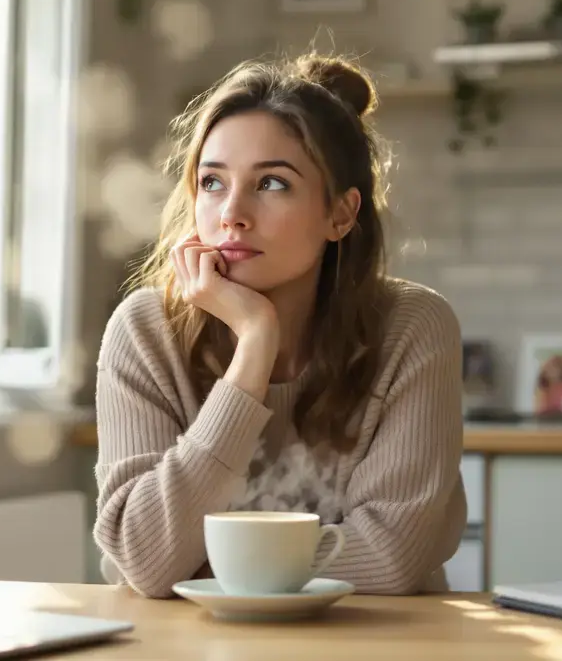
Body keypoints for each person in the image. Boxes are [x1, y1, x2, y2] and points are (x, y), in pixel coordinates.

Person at [92, 52, 467, 599]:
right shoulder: (146, 332)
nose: (232, 214)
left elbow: (392, 559)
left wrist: (204, 567)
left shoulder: (413, 328)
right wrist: (254, 348)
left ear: (341, 214)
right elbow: (146, 560)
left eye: (271, 184)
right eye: (213, 183)